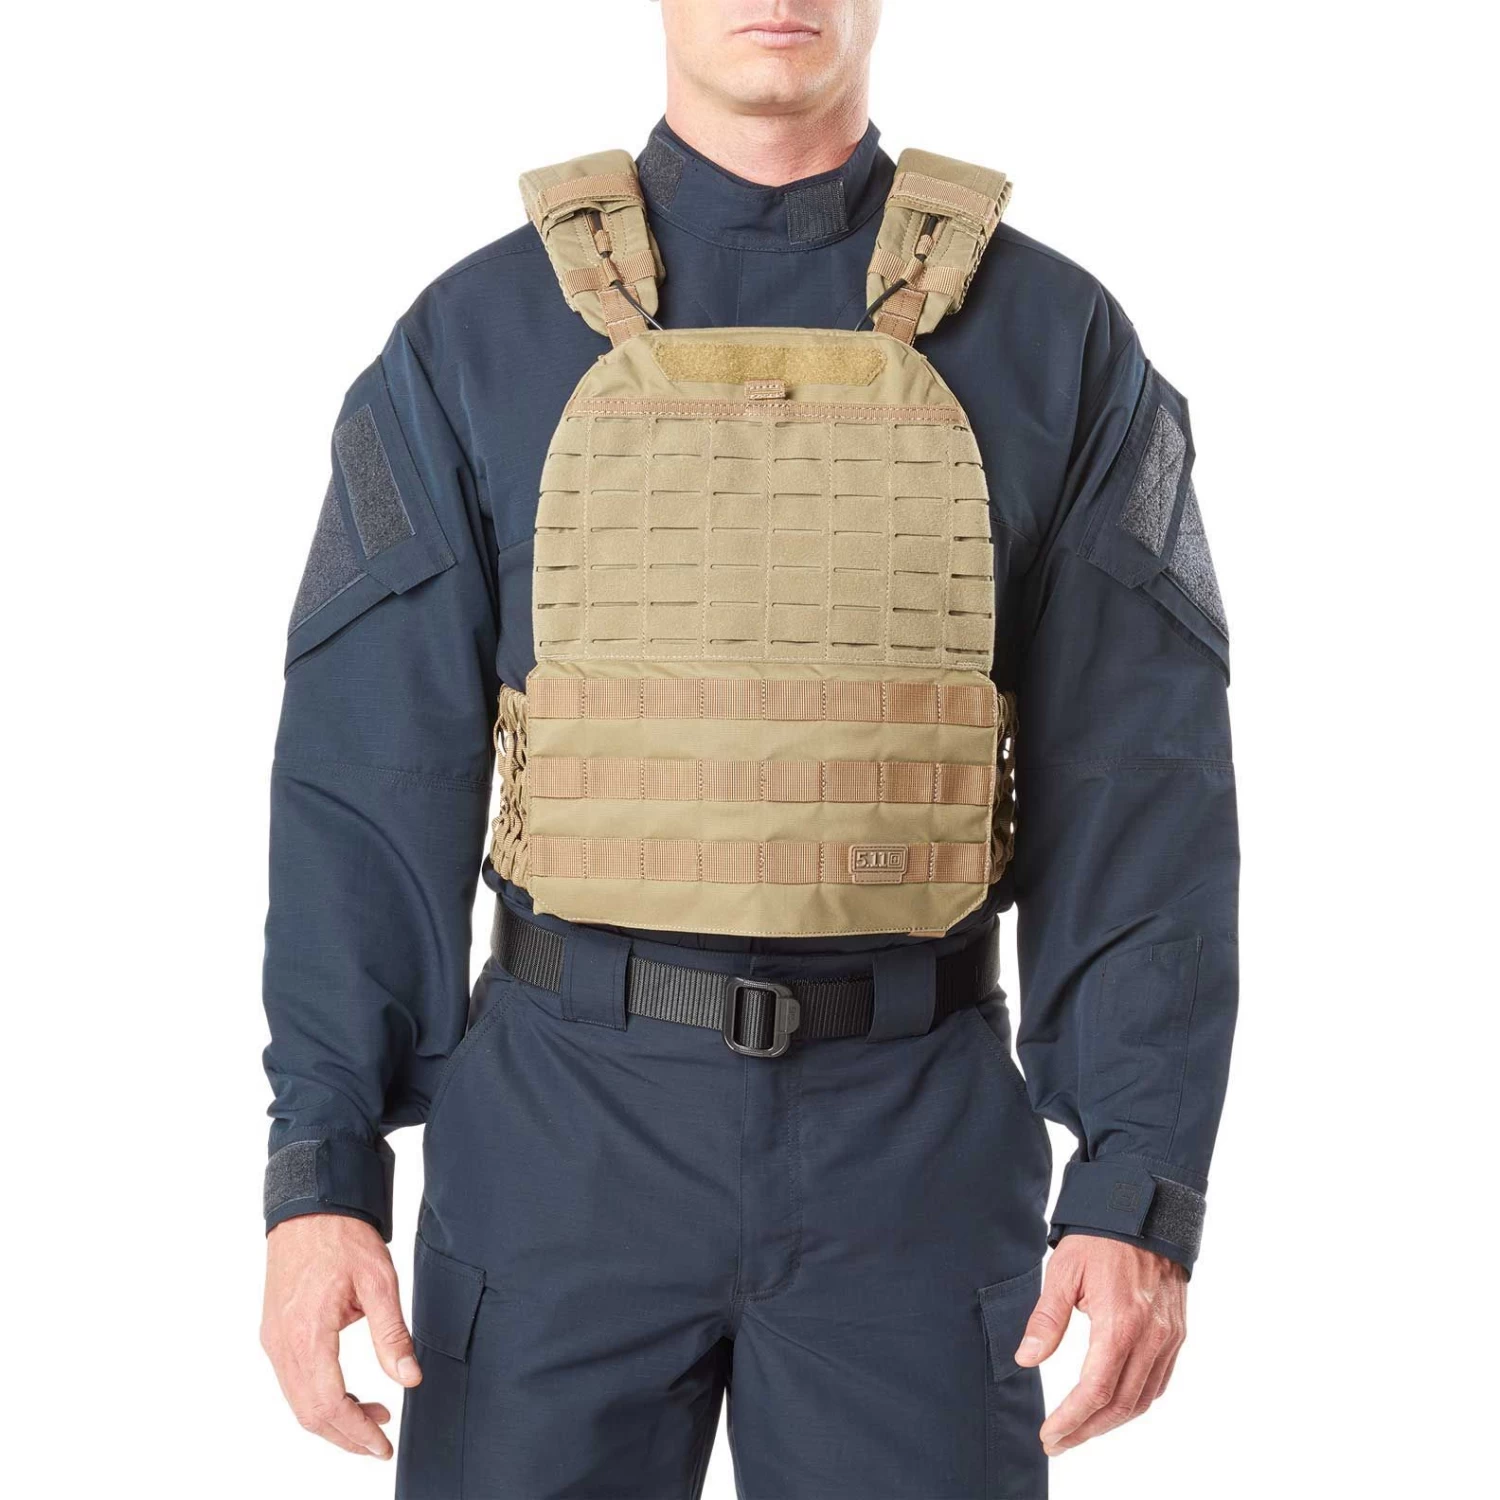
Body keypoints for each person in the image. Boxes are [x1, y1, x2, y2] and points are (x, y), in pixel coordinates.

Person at [258, 2, 1238, 1495]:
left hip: (913, 1149)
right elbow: (364, 785)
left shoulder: (1060, 341)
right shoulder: (473, 336)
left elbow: (1141, 790)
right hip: (563, 1139)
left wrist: (1140, 1182)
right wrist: (319, 1177)